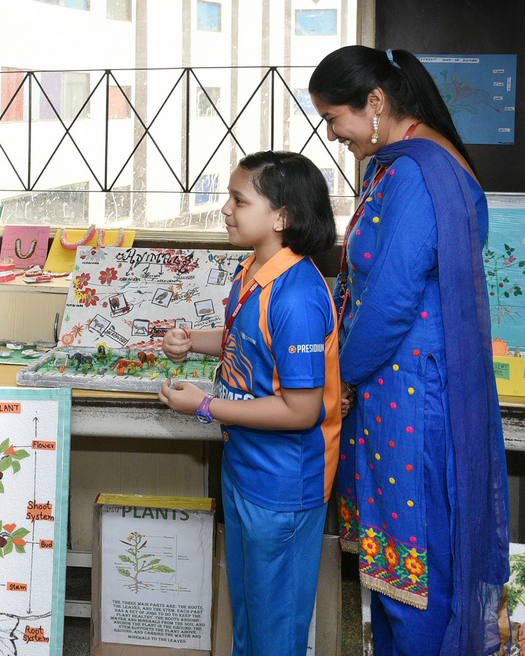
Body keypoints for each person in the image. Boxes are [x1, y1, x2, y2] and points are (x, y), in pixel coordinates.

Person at [309, 46, 509, 656]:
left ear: (374, 104)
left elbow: (392, 297)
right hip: (393, 383)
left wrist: (336, 372)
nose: (332, 134)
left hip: (406, 389)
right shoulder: (401, 164)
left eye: (333, 117)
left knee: (412, 560)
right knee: (397, 562)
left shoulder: (418, 172)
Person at [159, 151, 340, 656]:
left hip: (283, 485)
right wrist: (193, 340)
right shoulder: (253, 271)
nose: (225, 210)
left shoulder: (297, 295)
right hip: (245, 468)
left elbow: (301, 411)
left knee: (275, 630)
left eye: (239, 200)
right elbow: (249, 341)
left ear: (281, 217)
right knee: (250, 619)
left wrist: (204, 406)